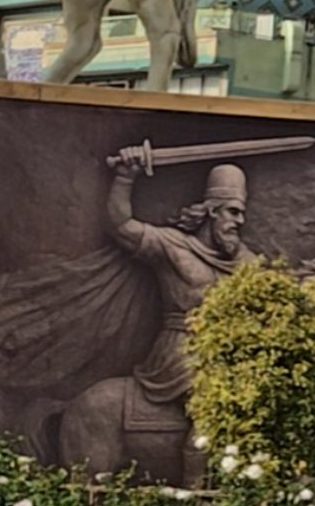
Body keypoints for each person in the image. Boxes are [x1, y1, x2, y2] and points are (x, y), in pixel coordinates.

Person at [107, 149, 255, 407]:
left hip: (227, 353)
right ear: (212, 211)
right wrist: (124, 178)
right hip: (181, 355)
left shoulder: (247, 263)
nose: (240, 221)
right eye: (233, 211)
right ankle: (196, 449)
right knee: (218, 403)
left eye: (242, 213)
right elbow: (121, 227)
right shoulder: (173, 246)